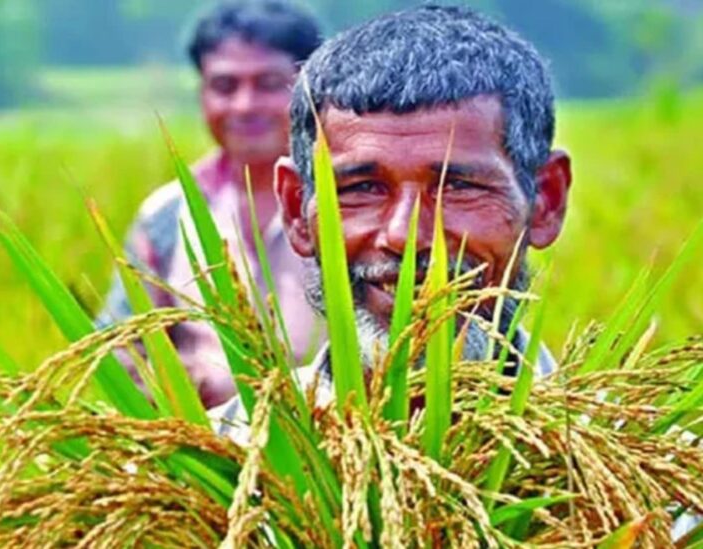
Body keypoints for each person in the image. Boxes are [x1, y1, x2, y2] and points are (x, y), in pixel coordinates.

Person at [211, 4, 567, 436]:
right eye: (362, 189)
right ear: (296, 210)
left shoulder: (650, 480)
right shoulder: (224, 460)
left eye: (458, 187)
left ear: (546, 201)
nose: (404, 235)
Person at [97, 0, 324, 408]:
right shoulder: (167, 215)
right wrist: (191, 385)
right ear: (201, 91)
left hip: (341, 448)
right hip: (205, 455)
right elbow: (117, 353)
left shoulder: (353, 203)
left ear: (309, 89)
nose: (244, 105)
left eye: (270, 84)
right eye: (225, 86)